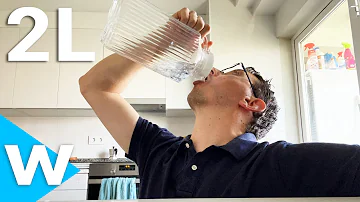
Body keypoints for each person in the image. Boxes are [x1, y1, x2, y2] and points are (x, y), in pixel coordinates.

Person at [79, 8, 360, 198]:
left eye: (234, 73)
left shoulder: (277, 163)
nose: (213, 70)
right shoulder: (158, 149)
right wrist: (163, 41)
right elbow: (95, 87)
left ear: (251, 103)